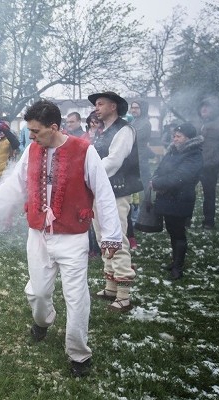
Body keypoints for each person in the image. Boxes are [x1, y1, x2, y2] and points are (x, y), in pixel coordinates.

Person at [0, 99, 121, 377]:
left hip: (73, 236)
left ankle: (79, 355)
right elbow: (17, 183)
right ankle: (43, 320)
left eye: (36, 131)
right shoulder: (32, 149)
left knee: (76, 297)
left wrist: (110, 237)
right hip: (38, 233)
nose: (32, 136)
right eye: (30, 132)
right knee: (38, 292)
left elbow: (103, 193)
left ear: (54, 127)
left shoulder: (84, 151)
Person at [89, 91, 142, 313]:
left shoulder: (124, 130)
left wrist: (88, 175)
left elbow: (113, 161)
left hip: (117, 192)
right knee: (103, 238)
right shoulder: (104, 131)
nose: (96, 108)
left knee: (116, 238)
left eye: (101, 104)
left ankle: (124, 295)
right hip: (101, 191)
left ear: (114, 106)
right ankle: (111, 286)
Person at [151, 123, 203, 280]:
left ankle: (178, 267)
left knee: (179, 233)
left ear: (188, 138)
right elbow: (160, 168)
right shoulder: (172, 151)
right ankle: (174, 260)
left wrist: (158, 183)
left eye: (178, 136)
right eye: (174, 135)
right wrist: (155, 178)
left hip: (181, 198)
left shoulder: (194, 154)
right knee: (172, 231)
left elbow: (181, 177)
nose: (174, 138)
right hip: (167, 197)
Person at [196, 96, 219, 230]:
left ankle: (208, 222)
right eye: (202, 106)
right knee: (187, 190)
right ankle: (186, 219)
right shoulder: (200, 123)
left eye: (208, 107)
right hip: (195, 164)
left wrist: (215, 162)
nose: (204, 109)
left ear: (215, 109)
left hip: (210, 166)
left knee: (209, 194)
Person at [130, 100, 153, 187]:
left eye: (136, 108)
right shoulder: (134, 121)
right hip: (133, 156)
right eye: (132, 108)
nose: (133, 110)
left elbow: (133, 139)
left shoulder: (145, 123)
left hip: (141, 158)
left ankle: (147, 200)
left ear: (142, 109)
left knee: (144, 181)